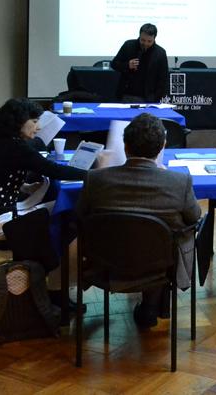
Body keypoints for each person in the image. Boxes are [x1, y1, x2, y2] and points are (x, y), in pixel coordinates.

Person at [76, 113, 201, 329]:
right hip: (159, 266)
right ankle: (152, 306)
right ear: (162, 147)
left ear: (125, 147)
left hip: (106, 263)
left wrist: (101, 169)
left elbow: (80, 216)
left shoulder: (95, 179)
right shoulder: (179, 182)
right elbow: (195, 217)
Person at [0, 99, 86, 240]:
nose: (39, 127)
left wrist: (26, 187)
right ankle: (60, 260)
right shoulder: (16, 148)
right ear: (18, 122)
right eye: (34, 121)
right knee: (66, 210)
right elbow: (54, 170)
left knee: (58, 206)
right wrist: (93, 174)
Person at [111, 23, 169, 102]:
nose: (145, 44)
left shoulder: (160, 53)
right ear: (139, 36)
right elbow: (114, 64)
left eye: (149, 41)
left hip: (148, 98)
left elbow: (163, 79)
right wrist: (127, 65)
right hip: (126, 95)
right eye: (143, 40)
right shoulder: (128, 45)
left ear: (154, 38)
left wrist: (156, 99)